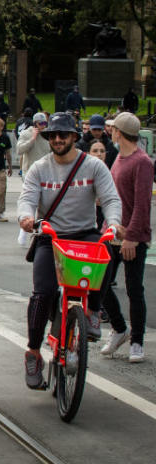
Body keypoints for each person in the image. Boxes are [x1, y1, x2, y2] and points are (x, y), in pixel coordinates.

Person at [17, 112, 122, 388]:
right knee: (43, 293)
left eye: (64, 134)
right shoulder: (39, 168)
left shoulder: (94, 166)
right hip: (49, 236)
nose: (58, 139)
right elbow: (26, 199)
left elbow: (111, 198)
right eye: (53, 135)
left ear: (75, 137)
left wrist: (112, 224)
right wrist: (27, 218)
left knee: (107, 254)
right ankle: (34, 352)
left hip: (84, 234)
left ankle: (94, 312)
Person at [100, 112, 150, 363]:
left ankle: (137, 342)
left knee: (134, 289)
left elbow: (142, 204)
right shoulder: (118, 157)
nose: (110, 131)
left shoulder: (142, 162)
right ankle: (120, 329)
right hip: (112, 233)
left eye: (113, 128)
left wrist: (131, 237)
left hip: (132, 237)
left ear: (120, 132)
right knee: (100, 283)